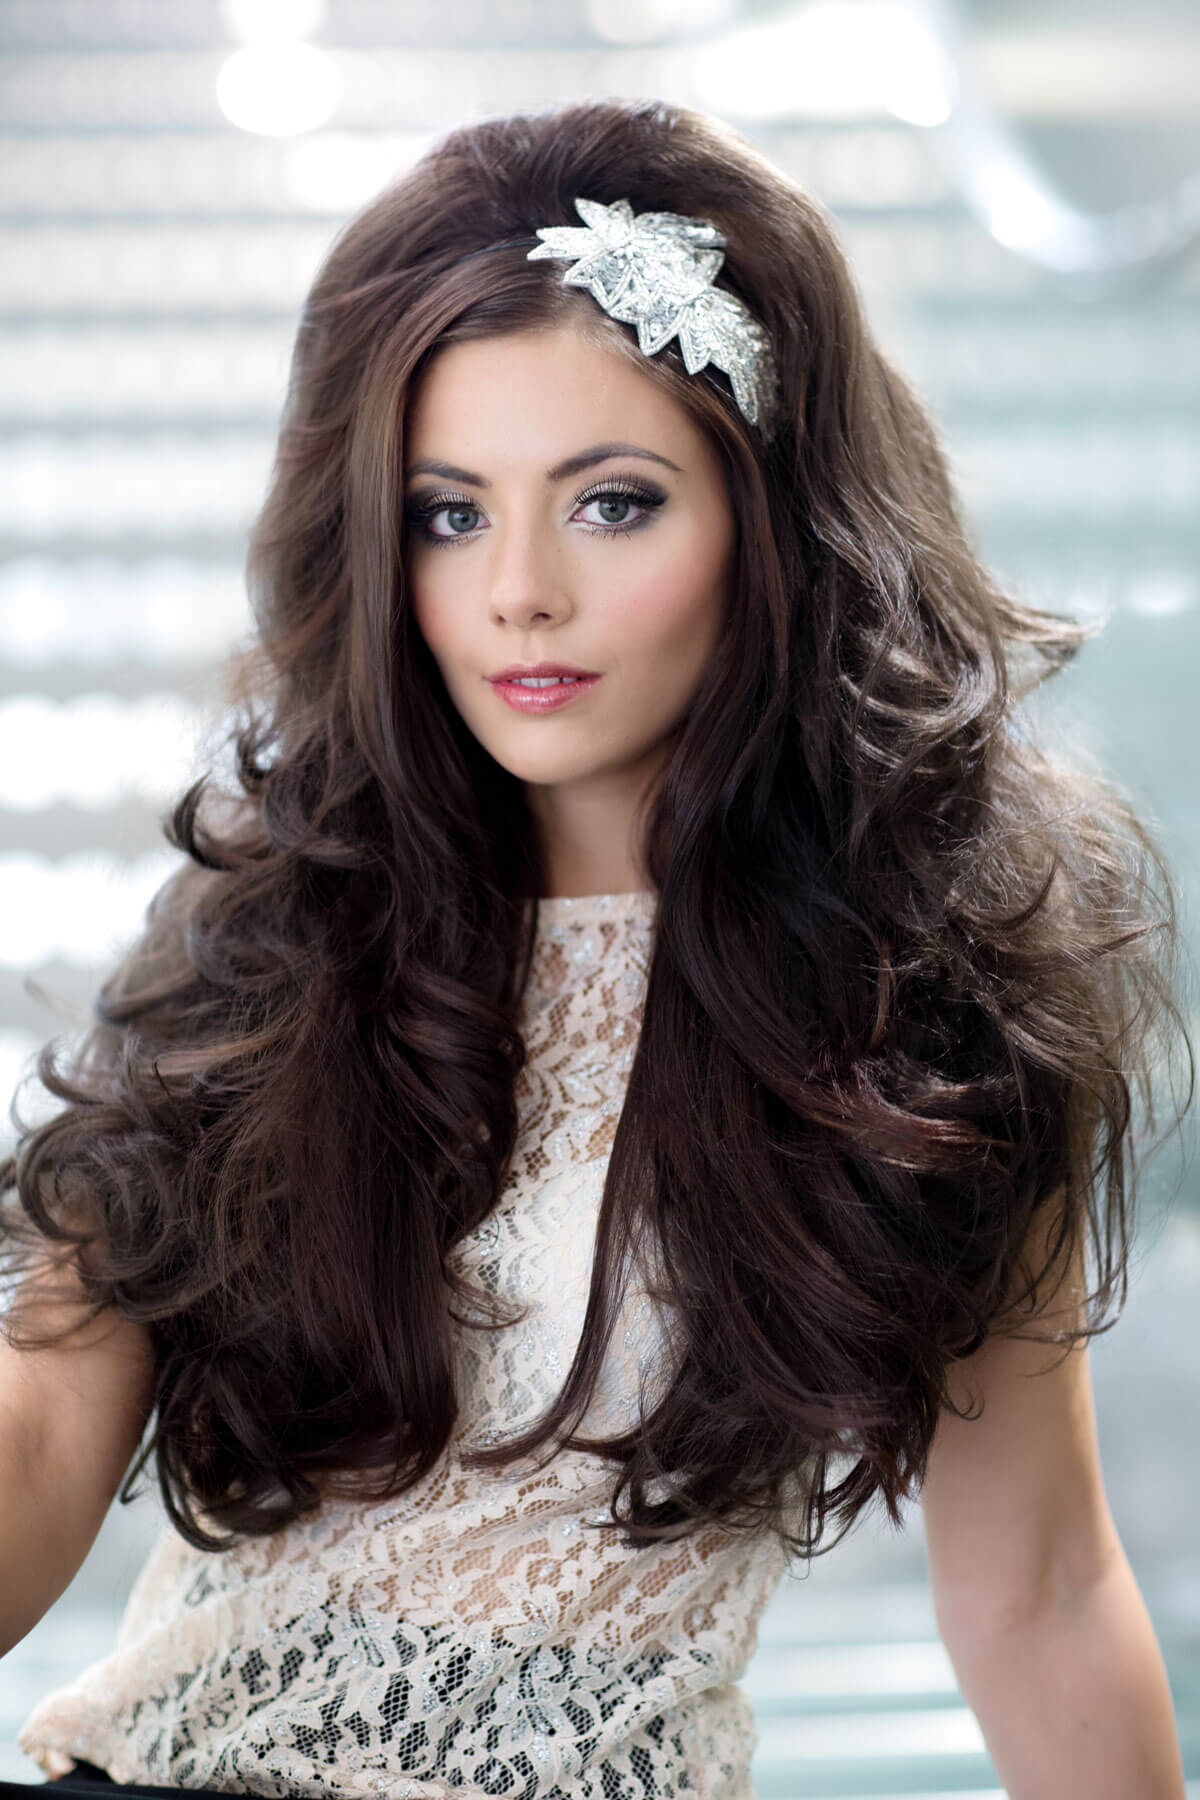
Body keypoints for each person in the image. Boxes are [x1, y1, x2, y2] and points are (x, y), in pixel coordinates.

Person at [0, 95, 1191, 1800]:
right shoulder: (270, 946)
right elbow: (41, 1431)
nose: (519, 593)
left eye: (613, 503)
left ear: (772, 524)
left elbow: (1043, 1592)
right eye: (448, 514)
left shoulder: (928, 1018)